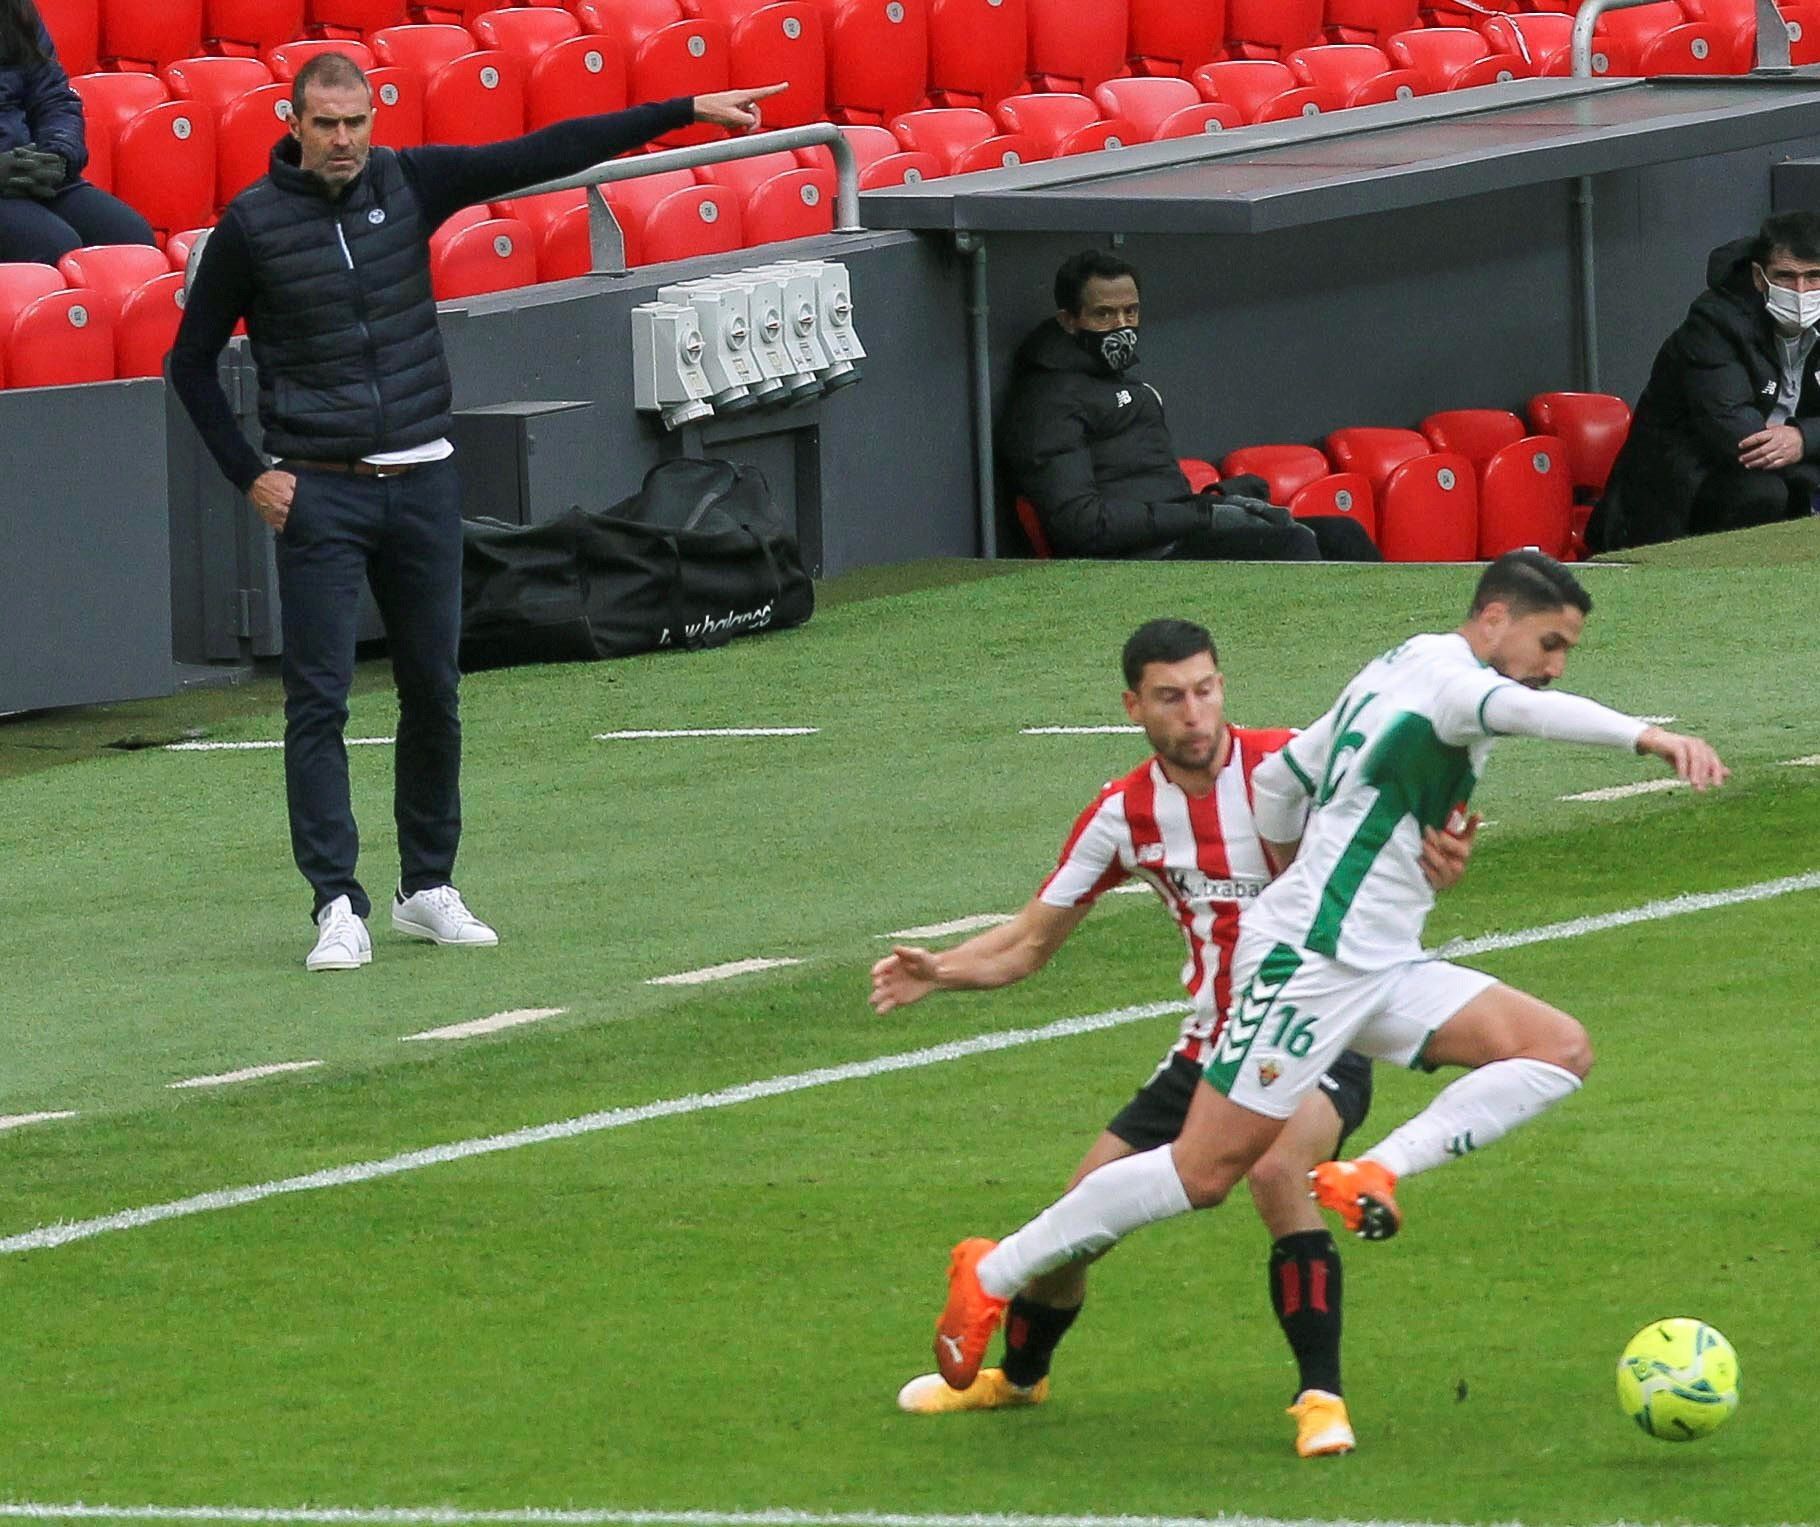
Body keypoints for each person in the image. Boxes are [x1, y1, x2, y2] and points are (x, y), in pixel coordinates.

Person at [929, 551, 1729, 1436]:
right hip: (1313, 962)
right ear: (1495, 618)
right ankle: (994, 1270)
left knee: (1557, 1048)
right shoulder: (1466, 685)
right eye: (1551, 642)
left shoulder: (1400, 660)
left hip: (1379, 960)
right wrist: (1649, 737)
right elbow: (1524, 709)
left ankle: (1378, 1167)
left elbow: (1278, 784)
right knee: (1204, 1173)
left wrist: (1303, 867)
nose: (1555, 664)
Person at [169, 52, 785, 971]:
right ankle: (337, 901)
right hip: (320, 489)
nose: (344, 140)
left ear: (374, 119)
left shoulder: (411, 183)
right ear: (292, 123)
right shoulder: (251, 227)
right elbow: (190, 362)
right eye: (326, 124)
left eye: (357, 121)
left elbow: (545, 149)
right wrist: (253, 474)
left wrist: (684, 105)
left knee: (435, 690)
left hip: (423, 480)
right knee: (319, 703)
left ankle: (428, 886)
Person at [874, 618, 1476, 1457]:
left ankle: (1320, 1399)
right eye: (1170, 697)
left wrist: (1437, 851)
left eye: (1206, 689)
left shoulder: (1288, 767)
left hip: (1320, 1030)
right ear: (1134, 706)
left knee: (1275, 1166)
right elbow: (1026, 942)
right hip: (1208, 1047)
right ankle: (1014, 1377)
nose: (1195, 713)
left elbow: (1398, 817)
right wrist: (939, 970)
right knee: (1078, 1216)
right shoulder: (1124, 813)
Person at [998, 250, 1380, 564]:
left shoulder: (1123, 383)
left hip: (1176, 536)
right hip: (1133, 561)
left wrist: (1219, 499)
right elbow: (1081, 524)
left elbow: (1155, 495)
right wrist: (1203, 515)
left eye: (1130, 312)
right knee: (1290, 545)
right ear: (1069, 321)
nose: (1121, 325)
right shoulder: (1046, 401)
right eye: (1104, 315)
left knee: (1342, 534)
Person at [1590, 211, 1820, 550]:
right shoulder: (1713, 323)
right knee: (1764, 492)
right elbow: (1743, 442)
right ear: (1759, 277)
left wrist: (1804, 438)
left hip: (1781, 471)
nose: (1801, 291)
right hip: (1680, 493)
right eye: (1786, 276)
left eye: (1814, 276)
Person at [0, 0, 156, 263]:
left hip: (30, 171)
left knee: (130, 238)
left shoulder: (13, 11)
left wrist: (58, 154)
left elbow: (54, 98)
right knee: (53, 246)